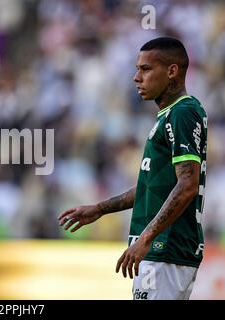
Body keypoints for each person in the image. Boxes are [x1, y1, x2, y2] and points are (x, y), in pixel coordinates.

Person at [58, 37, 207, 300]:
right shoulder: (169, 116)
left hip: (165, 250)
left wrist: (147, 238)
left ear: (172, 71)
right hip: (160, 251)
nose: (137, 77)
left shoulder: (182, 113)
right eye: (138, 69)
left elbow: (187, 184)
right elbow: (152, 187)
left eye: (146, 69)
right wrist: (100, 209)